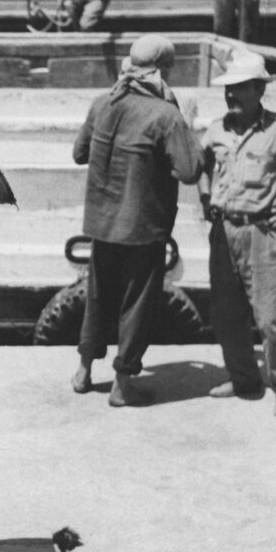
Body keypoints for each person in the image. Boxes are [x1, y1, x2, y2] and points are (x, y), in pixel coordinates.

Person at [71, 35, 203, 406]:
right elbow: (189, 170)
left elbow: (79, 153)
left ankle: (83, 371)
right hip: (143, 227)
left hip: (102, 223)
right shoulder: (166, 115)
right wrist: (188, 123)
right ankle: (122, 383)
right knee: (137, 305)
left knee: (98, 297)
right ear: (163, 70)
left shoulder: (103, 103)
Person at [198, 51, 276, 417]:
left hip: (264, 232)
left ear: (259, 90)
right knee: (225, 313)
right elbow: (201, 164)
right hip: (224, 229)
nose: (231, 95)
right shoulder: (217, 129)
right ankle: (244, 379)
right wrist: (206, 196)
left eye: (239, 88)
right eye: (227, 88)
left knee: (271, 317)